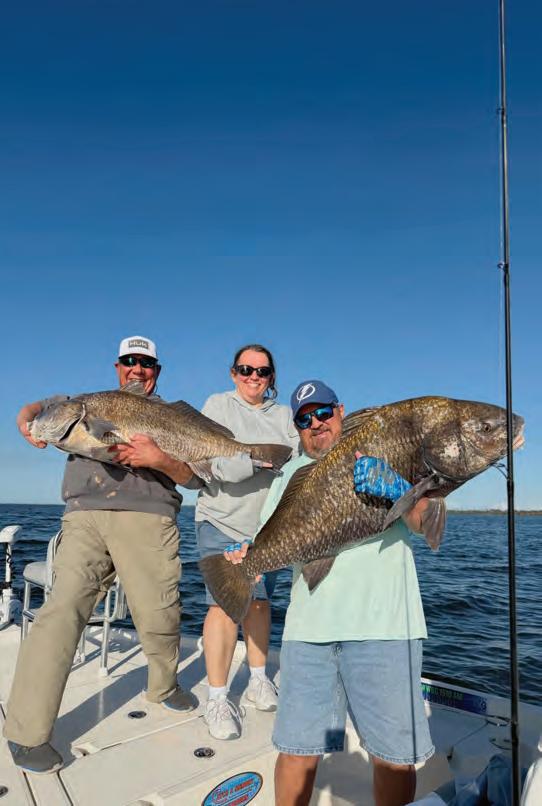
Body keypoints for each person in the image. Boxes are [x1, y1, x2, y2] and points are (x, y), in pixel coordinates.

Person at [226, 380, 435, 806]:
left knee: (393, 757)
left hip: (385, 630)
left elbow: (429, 526)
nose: (315, 423)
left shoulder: (387, 452)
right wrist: (248, 554)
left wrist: (402, 492)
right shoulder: (290, 475)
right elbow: (271, 540)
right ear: (297, 427)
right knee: (296, 750)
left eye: (323, 412)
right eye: (304, 419)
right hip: (309, 633)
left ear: (341, 411)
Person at [4, 336, 198, 774]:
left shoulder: (173, 418)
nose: (137, 369)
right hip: (85, 515)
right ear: (117, 366)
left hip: (149, 517)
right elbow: (36, 410)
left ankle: (164, 686)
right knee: (62, 610)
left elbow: (193, 479)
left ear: (156, 372)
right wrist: (26, 419)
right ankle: (26, 732)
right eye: (129, 360)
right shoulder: (81, 403)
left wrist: (158, 460)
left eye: (146, 363)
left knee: (161, 612)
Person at [193, 344, 299, 741]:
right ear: (233, 373)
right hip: (221, 520)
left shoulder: (284, 416)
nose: (254, 377)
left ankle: (257, 678)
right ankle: (217, 698)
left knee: (259, 601)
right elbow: (206, 462)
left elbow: (297, 463)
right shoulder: (217, 406)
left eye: (262, 371)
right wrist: (252, 462)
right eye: (246, 369)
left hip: (266, 528)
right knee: (224, 606)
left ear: (272, 377)